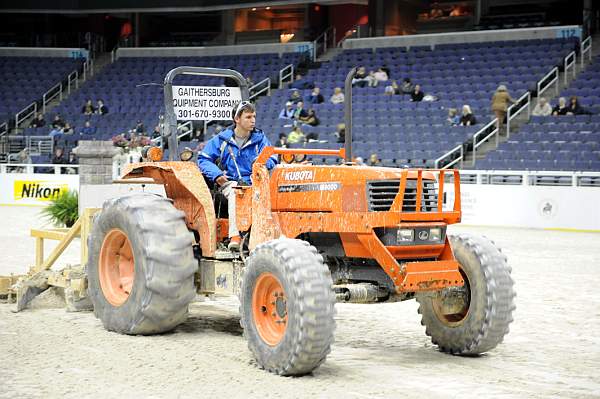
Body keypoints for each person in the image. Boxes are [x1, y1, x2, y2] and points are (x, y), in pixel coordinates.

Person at [198, 101, 277, 251]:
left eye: (254, 116)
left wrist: (262, 164)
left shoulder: (260, 139)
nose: (253, 120)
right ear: (237, 119)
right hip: (230, 182)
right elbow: (203, 159)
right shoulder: (222, 140)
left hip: (255, 182)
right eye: (248, 117)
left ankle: (266, 236)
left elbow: (272, 157)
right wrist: (216, 175)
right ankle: (235, 236)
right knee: (237, 191)